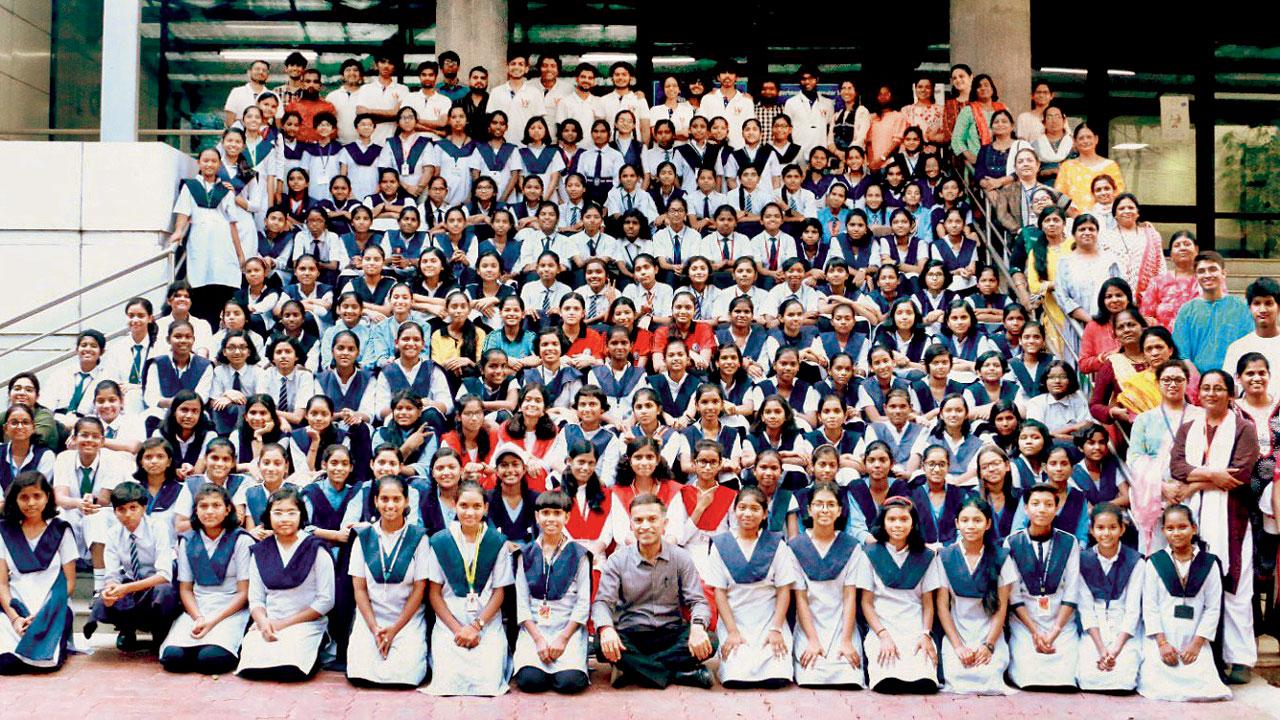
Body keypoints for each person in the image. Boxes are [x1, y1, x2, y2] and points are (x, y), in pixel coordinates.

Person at [1169, 369, 1260, 684]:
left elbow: (1242, 472)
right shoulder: (1189, 428)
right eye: (1206, 388)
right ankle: (1197, 653)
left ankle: (1239, 659)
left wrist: (1195, 483)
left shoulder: (1244, 429)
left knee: (1235, 586)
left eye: (1218, 388)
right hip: (1193, 516)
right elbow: (1176, 466)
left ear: (1230, 394)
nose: (1211, 393)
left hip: (1231, 518)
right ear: (1198, 393)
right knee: (1193, 584)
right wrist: (1214, 476)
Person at [592, 492, 716, 689]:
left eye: (652, 519)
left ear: (664, 523)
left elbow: (698, 601)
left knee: (710, 640)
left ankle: (633, 670)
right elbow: (602, 603)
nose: (645, 526)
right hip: (631, 634)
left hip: (670, 634)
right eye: (639, 520)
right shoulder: (618, 560)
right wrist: (607, 629)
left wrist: (698, 627)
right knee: (601, 643)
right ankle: (679, 674)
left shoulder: (680, 558)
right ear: (631, 525)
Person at [425, 479, 515, 696]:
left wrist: (476, 626)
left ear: (485, 508)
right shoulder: (440, 541)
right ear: (454, 505)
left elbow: (499, 591)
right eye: (464, 506)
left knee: (488, 682)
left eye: (477, 506)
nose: (470, 512)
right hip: (450, 624)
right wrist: (458, 629)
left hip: (486, 623)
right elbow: (434, 593)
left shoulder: (497, 542)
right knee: (447, 682)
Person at [235, 487, 335, 681]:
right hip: (270, 621)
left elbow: (326, 601)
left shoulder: (316, 549)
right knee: (253, 668)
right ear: (268, 516)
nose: (284, 519)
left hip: (305, 624)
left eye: (291, 513)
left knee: (290, 669)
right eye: (278, 513)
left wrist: (283, 624)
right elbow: (255, 598)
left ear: (301, 515)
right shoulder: (261, 551)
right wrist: (263, 622)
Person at [704, 487, 798, 689]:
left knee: (777, 676)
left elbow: (783, 590)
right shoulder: (721, 544)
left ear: (765, 514)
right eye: (742, 507)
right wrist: (732, 631)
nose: (747, 513)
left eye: (755, 509)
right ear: (734, 511)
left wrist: (776, 629)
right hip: (735, 619)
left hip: (769, 620)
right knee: (736, 677)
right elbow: (719, 592)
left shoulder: (776, 544)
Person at [1136, 504, 1232, 702]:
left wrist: (1196, 645)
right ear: (1163, 531)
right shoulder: (1155, 562)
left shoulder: (1209, 563)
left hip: (1195, 639)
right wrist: (1162, 644)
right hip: (1163, 638)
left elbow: (1213, 608)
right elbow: (1150, 606)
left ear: (1194, 528)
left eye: (1182, 527)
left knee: (1205, 687)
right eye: (1170, 528)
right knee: (1155, 686)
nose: (1176, 533)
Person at [159, 484, 253, 674]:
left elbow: (244, 592)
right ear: (196, 510)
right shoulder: (187, 540)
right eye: (203, 506)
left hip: (229, 610)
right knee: (173, 659)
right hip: (198, 608)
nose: (209, 511)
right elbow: (186, 588)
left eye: (216, 506)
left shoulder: (242, 540)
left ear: (227, 510)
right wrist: (199, 617)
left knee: (210, 661)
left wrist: (213, 621)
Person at [346, 475, 430, 688]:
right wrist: (375, 628)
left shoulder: (419, 538)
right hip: (371, 618)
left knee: (405, 676)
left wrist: (394, 629)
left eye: (396, 499)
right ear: (375, 501)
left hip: (406, 619)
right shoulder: (363, 536)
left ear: (406, 501)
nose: (390, 505)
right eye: (384, 499)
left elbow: (420, 589)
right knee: (360, 673)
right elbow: (360, 590)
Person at [854, 496, 941, 694]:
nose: (898, 525)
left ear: (913, 523)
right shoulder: (869, 553)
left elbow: (928, 603)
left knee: (924, 683)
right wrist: (883, 636)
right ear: (883, 522)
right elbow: (866, 603)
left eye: (904, 519)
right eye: (892, 519)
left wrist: (926, 635)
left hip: (915, 629)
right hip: (883, 627)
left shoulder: (926, 556)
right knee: (887, 682)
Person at [512, 489, 592, 694]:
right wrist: (539, 639)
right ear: (537, 516)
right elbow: (522, 602)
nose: (551, 519)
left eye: (557, 513)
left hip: (567, 630)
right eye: (545, 513)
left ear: (567, 516)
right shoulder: (525, 554)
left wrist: (563, 638)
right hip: (535, 630)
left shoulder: (579, 554)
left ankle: (570, 663)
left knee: (569, 683)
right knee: (531, 681)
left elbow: (583, 603)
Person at [935, 495, 1015, 695]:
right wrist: (958, 646)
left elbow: (1002, 607)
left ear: (988, 524)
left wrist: (988, 645)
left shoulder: (1001, 557)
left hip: (988, 632)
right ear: (957, 524)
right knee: (957, 675)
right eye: (965, 520)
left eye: (977, 520)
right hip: (958, 631)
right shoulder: (945, 556)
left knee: (988, 678)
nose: (971, 526)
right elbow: (943, 607)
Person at [1004, 482, 1081, 690]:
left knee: (1066, 675)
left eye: (1048, 504)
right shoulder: (1011, 543)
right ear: (1026, 508)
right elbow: (1014, 596)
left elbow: (1072, 592)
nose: (1042, 509)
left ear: (1056, 509)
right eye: (1035, 503)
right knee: (1028, 675)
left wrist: (1055, 630)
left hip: (1060, 621)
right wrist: (1035, 632)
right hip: (1025, 621)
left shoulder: (1070, 542)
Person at [86, 482, 178, 652]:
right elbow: (112, 574)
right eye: (121, 509)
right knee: (104, 597)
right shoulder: (113, 533)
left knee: (164, 591)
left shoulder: (158, 528)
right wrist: (111, 589)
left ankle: (160, 632)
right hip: (131, 582)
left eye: (133, 508)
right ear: (114, 512)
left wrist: (125, 588)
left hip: (154, 583)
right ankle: (126, 629)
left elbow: (164, 575)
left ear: (143, 508)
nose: (127, 514)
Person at [0, 472, 76, 674]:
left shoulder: (62, 530)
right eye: (24, 497)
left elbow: (69, 582)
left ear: (47, 497)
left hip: (52, 606)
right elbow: (2, 584)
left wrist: (43, 612)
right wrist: (15, 618)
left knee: (45, 663)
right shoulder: (4, 531)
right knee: (5, 662)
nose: (31, 503)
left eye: (37, 496)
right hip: (15, 606)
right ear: (14, 500)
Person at [788, 481, 863, 687]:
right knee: (812, 673)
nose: (824, 509)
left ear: (839, 510)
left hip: (842, 624)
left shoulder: (851, 546)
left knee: (849, 674)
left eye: (830, 505)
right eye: (819, 504)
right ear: (809, 509)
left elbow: (849, 596)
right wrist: (812, 640)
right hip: (809, 624)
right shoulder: (796, 546)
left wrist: (847, 640)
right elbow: (800, 598)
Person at [169, 148, 247, 326]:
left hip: (223, 243)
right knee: (200, 283)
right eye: (206, 160)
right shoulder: (190, 187)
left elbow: (232, 223)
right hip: (200, 241)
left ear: (219, 164)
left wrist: (240, 253)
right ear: (199, 163)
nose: (209, 164)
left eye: (213, 161)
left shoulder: (226, 190)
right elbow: (183, 214)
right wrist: (178, 231)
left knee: (223, 284)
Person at [1075, 502, 1143, 692]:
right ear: (1091, 530)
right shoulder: (1083, 560)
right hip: (1094, 629)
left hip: (1124, 629)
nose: (1106, 533)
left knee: (1124, 679)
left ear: (1122, 529)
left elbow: (1132, 610)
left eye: (1113, 527)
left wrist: (1115, 649)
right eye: (1100, 528)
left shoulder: (1135, 561)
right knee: (1088, 678)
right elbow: (1086, 609)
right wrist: (1101, 648)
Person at [1172, 251, 1254, 375]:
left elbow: (1249, 347)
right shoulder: (1187, 311)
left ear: (1224, 273)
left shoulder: (1242, 308)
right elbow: (1183, 355)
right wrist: (1199, 382)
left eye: (1212, 269)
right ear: (1195, 276)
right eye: (1201, 271)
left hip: (1235, 378)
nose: (1207, 275)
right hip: (1198, 381)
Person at [1223, 277, 1280, 397]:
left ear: (1278, 307)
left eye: (1269, 303)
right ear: (1249, 308)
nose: (1263, 309)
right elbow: (1229, 391)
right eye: (1257, 303)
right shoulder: (1237, 348)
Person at [1140, 230, 1200, 331]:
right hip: (1164, 342)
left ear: (1196, 249)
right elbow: (1145, 317)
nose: (1182, 248)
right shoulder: (1158, 282)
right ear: (1171, 253)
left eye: (1187, 244)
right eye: (1177, 245)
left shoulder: (1206, 280)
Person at [1055, 123, 1125, 209]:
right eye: (1081, 138)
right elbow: (1059, 197)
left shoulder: (1110, 166)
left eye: (1089, 137)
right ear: (1075, 141)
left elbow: (1119, 196)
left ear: (1096, 139)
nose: (1085, 141)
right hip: (1075, 220)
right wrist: (1076, 217)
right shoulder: (1067, 167)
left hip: (1106, 218)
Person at [355, 54, 411, 143]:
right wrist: (391, 116)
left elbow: (398, 114)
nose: (386, 66)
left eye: (390, 63)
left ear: (395, 67)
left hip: (393, 141)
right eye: (382, 62)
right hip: (369, 142)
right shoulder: (366, 88)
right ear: (376, 64)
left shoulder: (403, 89)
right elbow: (360, 112)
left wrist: (369, 112)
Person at [223, 59, 271, 127]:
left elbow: (277, 123)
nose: (261, 72)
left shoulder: (273, 95)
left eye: (264, 70)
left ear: (268, 75)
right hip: (240, 135)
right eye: (257, 69)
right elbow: (230, 121)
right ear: (249, 72)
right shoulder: (237, 92)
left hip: (265, 136)